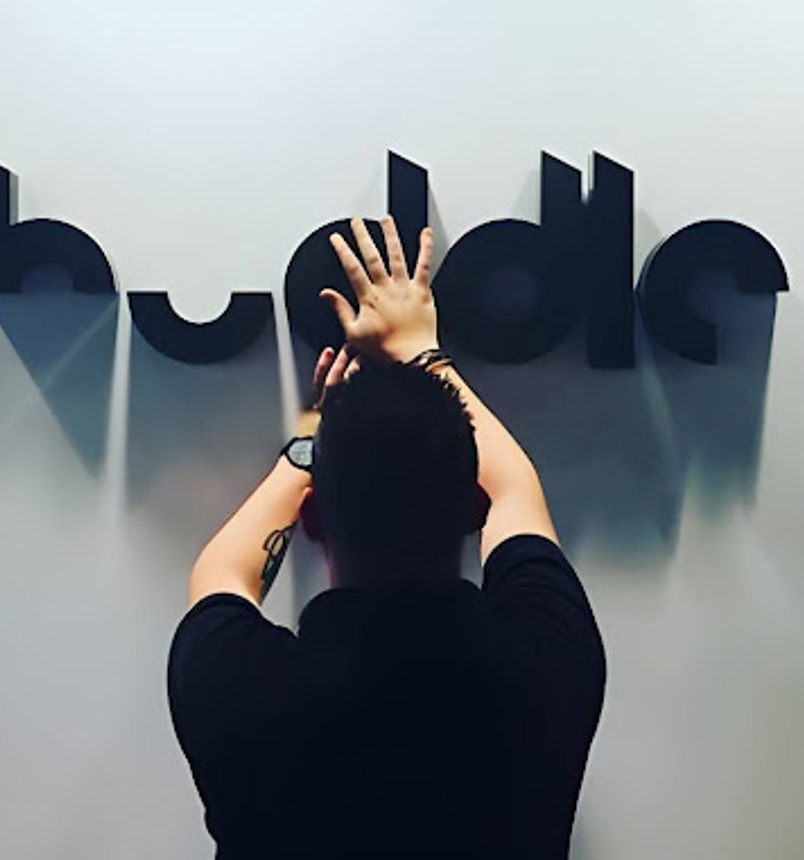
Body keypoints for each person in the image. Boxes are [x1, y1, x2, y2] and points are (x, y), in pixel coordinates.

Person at [167, 216, 606, 859]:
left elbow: (221, 574)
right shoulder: (549, 661)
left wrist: (314, 437)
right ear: (471, 509)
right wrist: (421, 347)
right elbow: (514, 489)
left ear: (312, 520)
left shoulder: (238, 687)